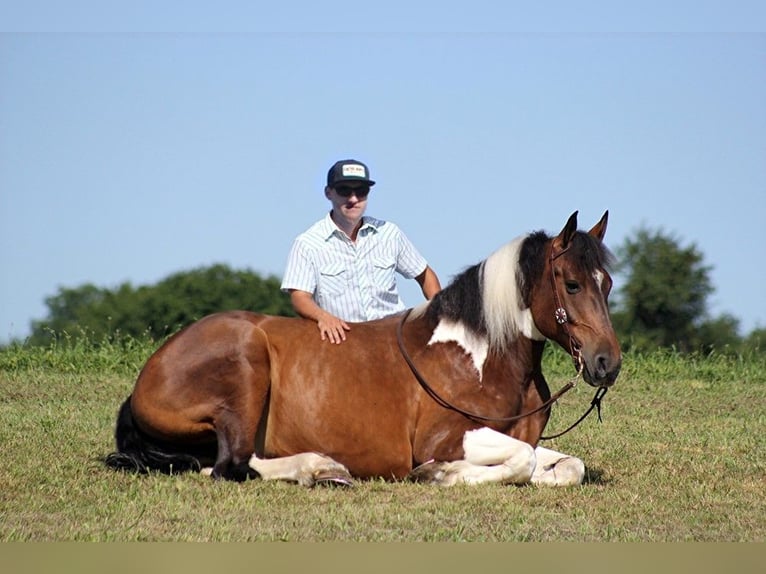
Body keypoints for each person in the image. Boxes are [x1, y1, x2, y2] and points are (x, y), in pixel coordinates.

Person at [281, 158, 441, 343]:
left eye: (361, 191)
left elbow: (425, 274)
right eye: (344, 190)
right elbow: (300, 297)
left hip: (395, 340)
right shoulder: (307, 244)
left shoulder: (389, 233)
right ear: (328, 193)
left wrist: (440, 314)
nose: (353, 199)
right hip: (344, 341)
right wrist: (323, 317)